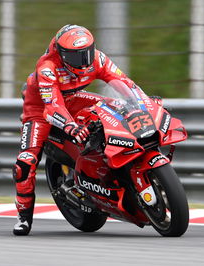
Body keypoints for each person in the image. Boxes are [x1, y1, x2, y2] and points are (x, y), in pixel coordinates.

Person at [12, 24, 137, 236]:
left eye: (87, 52)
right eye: (76, 56)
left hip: (72, 98)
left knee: (115, 108)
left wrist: (139, 102)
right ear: (60, 54)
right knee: (25, 162)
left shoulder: (98, 58)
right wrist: (69, 125)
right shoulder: (47, 67)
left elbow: (123, 81)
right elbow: (52, 107)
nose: (84, 60)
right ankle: (24, 218)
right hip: (39, 110)